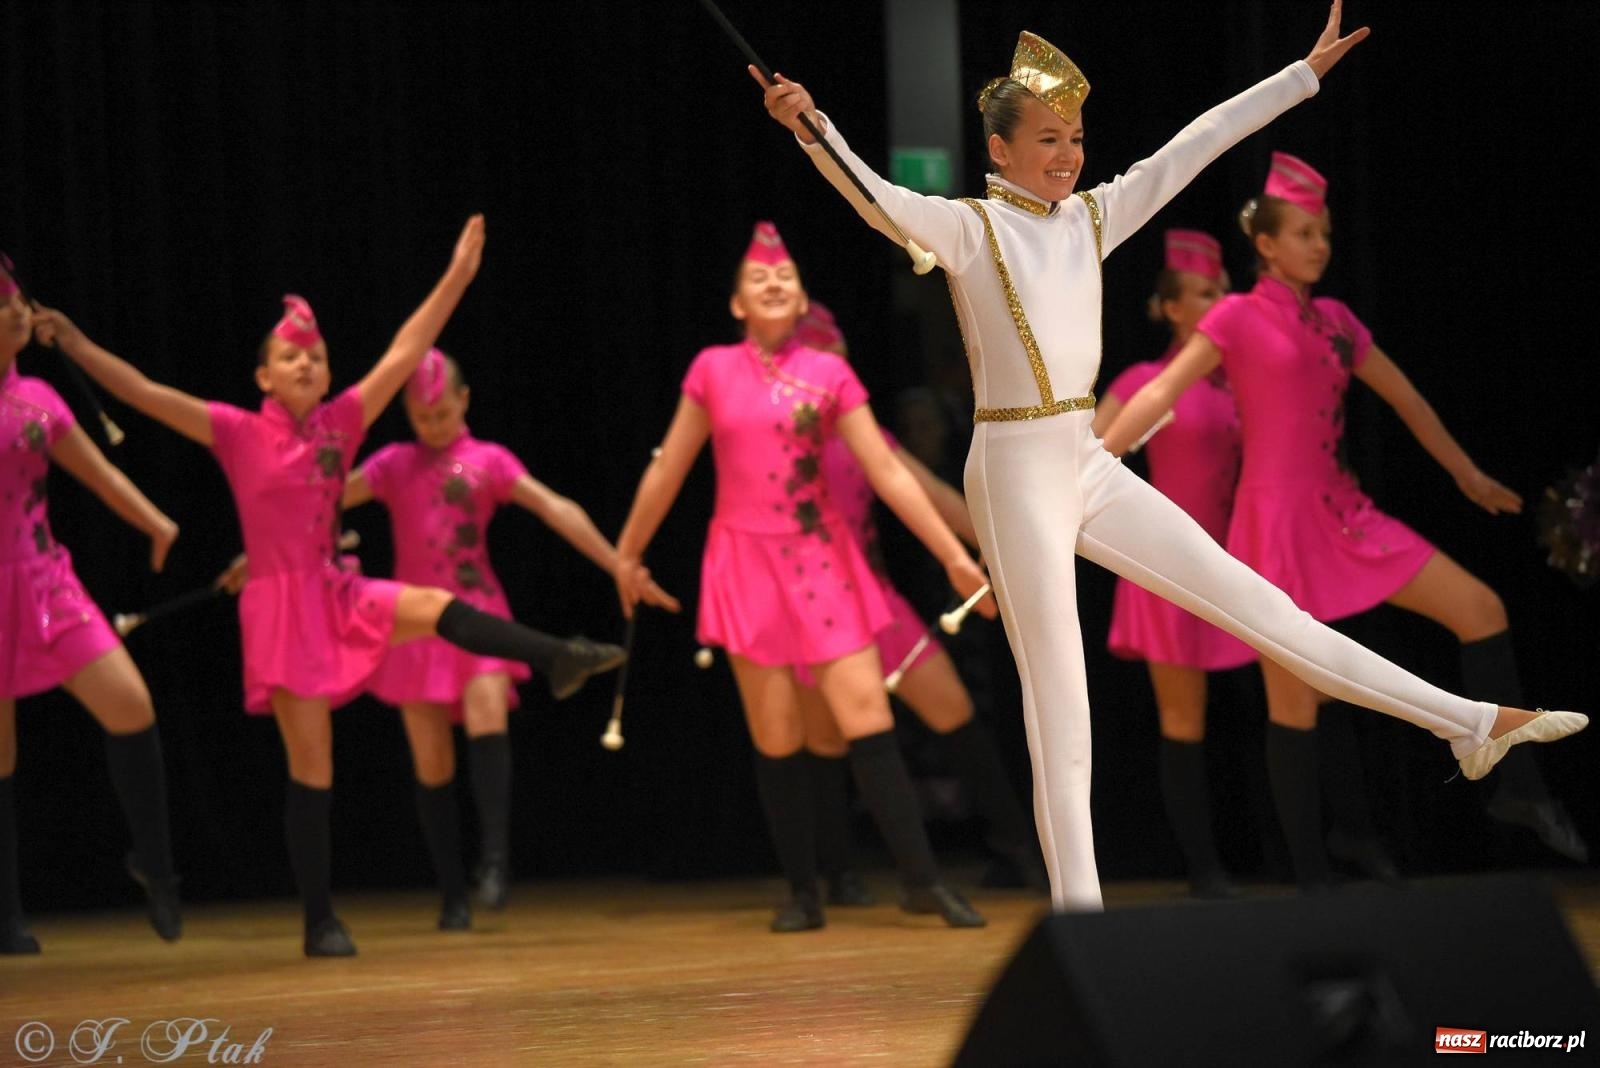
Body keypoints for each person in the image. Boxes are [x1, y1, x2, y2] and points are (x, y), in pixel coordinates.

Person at [755, 3, 1585, 912]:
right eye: (1045, 139)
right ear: (998, 150)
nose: (1067, 155)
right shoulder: (967, 230)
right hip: (1014, 470)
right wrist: (814, 125)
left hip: (1083, 456)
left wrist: (1300, 76)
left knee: (1265, 608)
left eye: (1074, 136)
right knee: (1061, 704)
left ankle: (1467, 724)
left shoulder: (1091, 219)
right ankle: (1084, 928)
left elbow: (1198, 144)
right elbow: (876, 197)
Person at [34, 216, 626, 955]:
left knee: (440, 606)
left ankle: (556, 656)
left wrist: (457, 279)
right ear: (265, 376)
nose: (308, 364)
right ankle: (319, 919)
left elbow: (407, 349)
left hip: (335, 589)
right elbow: (146, 392)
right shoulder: (235, 430)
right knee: (313, 767)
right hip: (283, 610)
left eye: (315, 354)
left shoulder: (344, 421)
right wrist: (77, 344)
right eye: (291, 355)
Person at [1100, 153, 1589, 884]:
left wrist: (1465, 473)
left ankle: (1519, 790)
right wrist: (1092, 459)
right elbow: (1160, 391)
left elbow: (1407, 400)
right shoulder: (1235, 315)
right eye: (1303, 233)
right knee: (1295, 702)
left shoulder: (1336, 320)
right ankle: (1313, 881)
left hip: (1346, 514)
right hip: (1273, 529)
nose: (1319, 245)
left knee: (1481, 609)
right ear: (1265, 245)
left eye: (1324, 232)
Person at [614, 222, 993, 932]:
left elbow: (886, 471)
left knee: (867, 719)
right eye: (759, 278)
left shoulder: (831, 374)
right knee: (779, 734)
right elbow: (670, 466)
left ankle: (922, 882)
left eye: (785, 274)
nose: (773, 282)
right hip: (744, 562)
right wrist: (626, 553)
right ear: (737, 305)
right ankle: (803, 892)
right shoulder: (711, 370)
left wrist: (950, 552)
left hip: (822, 558)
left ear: (801, 294)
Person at [343, 348, 679, 924]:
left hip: (479, 614)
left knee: (488, 717)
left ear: (464, 400)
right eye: (423, 418)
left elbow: (555, 508)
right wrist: (273, 559)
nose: (434, 427)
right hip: (415, 622)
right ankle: (451, 890)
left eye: (443, 415)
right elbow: (314, 504)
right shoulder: (392, 465)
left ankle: (496, 861)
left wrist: (617, 563)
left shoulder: (488, 460)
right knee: (431, 763)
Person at [788, 304, 1044, 898]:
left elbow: (931, 497)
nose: (836, 373)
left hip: (875, 599)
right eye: (824, 361)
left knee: (953, 708)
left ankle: (1014, 849)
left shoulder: (863, 431)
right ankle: (838, 872)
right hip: (807, 606)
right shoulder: (782, 434)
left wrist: (1000, 545)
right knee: (825, 739)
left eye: (842, 359)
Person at [1, 256, 182, 954]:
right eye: (5, 304)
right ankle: (5, 916)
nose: (20, 311)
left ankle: (158, 869)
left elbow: (100, 473)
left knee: (131, 704)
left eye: (21, 300)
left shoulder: (40, 399)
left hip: (46, 582)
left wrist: (156, 522)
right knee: (1, 753)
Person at [1089, 230, 1255, 898]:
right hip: (1168, 570)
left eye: (1223, 291)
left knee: (1281, 706)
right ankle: (1205, 870)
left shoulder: (1245, 377)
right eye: (1206, 294)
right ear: (1174, 309)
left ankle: (1292, 856)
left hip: (1244, 563)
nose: (1220, 302)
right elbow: (1089, 460)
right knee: (1183, 723)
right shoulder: (1140, 383)